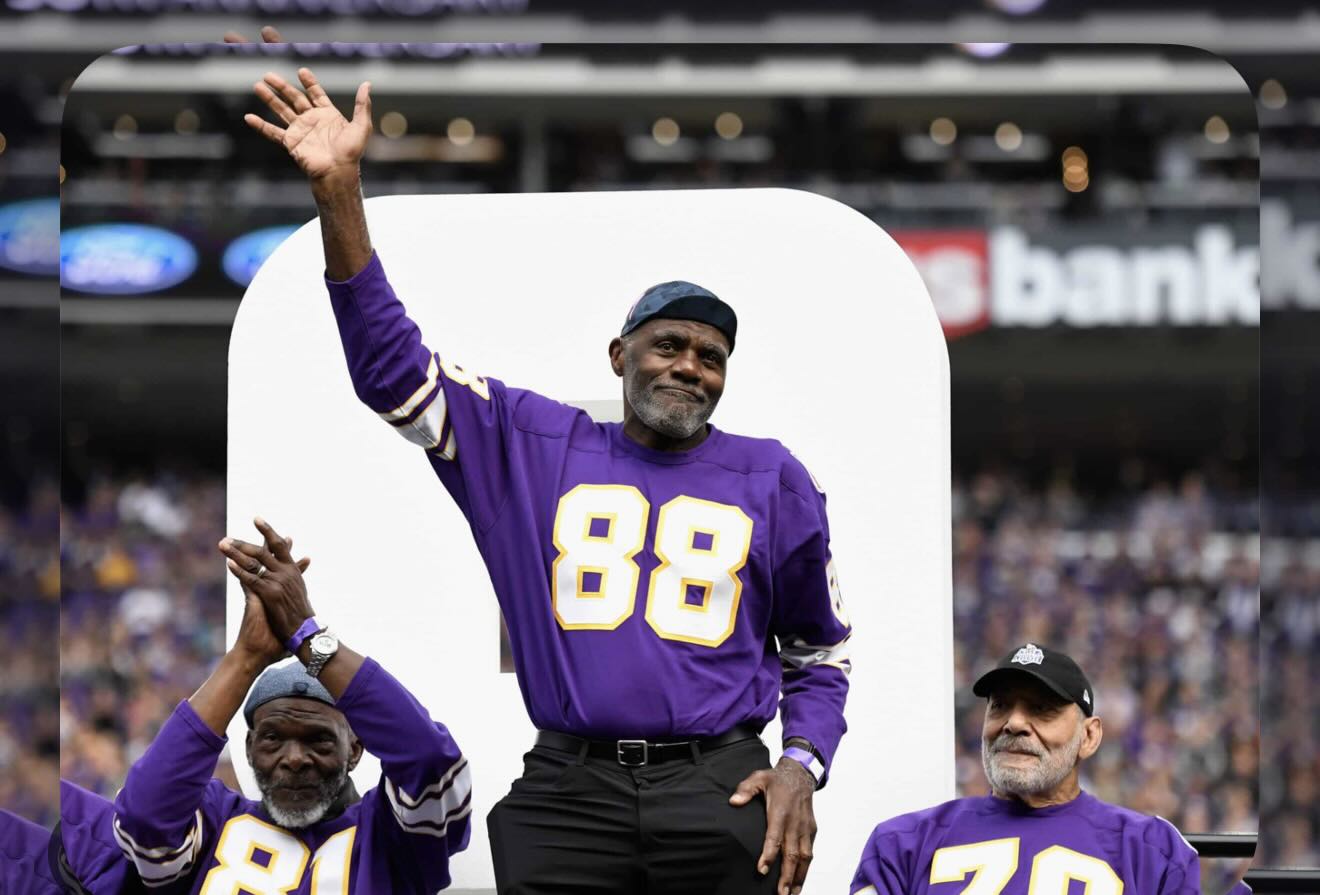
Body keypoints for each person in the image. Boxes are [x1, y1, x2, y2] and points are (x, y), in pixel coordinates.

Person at [244, 62, 851, 895]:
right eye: (669, 345)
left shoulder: (770, 473)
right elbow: (392, 370)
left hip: (720, 780)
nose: (690, 368)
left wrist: (802, 767)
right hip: (571, 786)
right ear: (620, 356)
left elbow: (820, 650)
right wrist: (339, 192)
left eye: (711, 358)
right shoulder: (530, 440)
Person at [105, 518, 471, 893]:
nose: (294, 758)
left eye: (319, 740)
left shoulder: (388, 835)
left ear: (355, 750)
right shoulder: (214, 818)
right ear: (248, 748)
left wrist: (309, 636)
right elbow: (143, 821)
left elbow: (432, 764)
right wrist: (245, 658)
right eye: (273, 739)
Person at [850, 643, 1201, 894]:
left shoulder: (1150, 848)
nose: (1014, 722)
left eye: (1042, 709)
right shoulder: (903, 843)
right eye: (1000, 706)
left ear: (1089, 736)